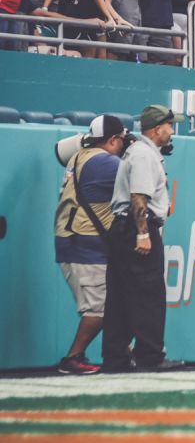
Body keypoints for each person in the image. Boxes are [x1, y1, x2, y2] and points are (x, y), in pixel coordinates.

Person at [102, 105, 186, 373]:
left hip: (124, 228)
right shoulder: (143, 155)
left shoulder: (141, 152)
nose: (172, 131)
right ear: (157, 128)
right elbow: (139, 197)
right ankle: (150, 356)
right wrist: (143, 233)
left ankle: (115, 357)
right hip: (136, 226)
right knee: (149, 294)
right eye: (169, 126)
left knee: (121, 295)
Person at [53, 116, 128, 375]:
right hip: (83, 243)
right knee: (99, 308)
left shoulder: (82, 156)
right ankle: (73, 357)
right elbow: (138, 178)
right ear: (112, 139)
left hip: (79, 240)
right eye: (122, 140)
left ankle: (124, 353)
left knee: (109, 304)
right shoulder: (106, 162)